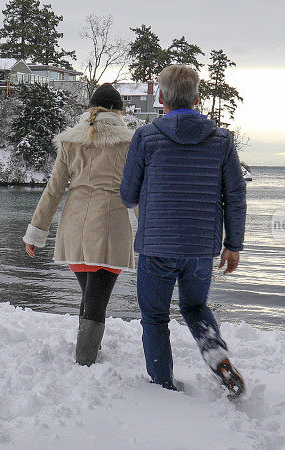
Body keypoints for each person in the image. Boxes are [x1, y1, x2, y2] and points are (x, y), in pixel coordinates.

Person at [120, 65, 247, 398]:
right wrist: (233, 245)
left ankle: (162, 385)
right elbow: (234, 194)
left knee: (155, 316)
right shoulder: (221, 139)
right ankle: (214, 351)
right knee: (194, 307)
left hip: (157, 245)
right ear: (197, 99)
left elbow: (127, 194)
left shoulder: (146, 137)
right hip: (200, 248)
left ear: (161, 98)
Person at [23, 83, 136, 366]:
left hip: (74, 228)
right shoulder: (128, 143)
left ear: (91, 109)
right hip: (111, 227)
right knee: (97, 297)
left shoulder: (71, 142)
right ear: (118, 111)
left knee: (90, 294)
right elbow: (137, 193)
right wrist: (150, 233)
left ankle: (86, 353)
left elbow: (54, 189)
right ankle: (85, 361)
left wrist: (36, 233)